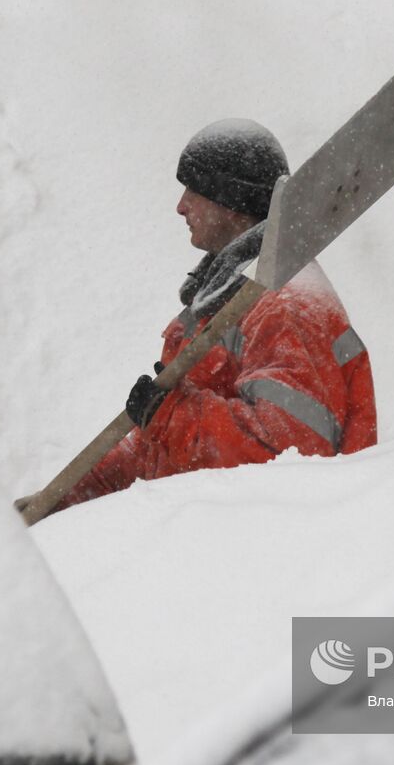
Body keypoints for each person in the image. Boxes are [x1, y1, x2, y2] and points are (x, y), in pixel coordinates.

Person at [54, 118, 376, 512]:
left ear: (231, 199)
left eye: (194, 190)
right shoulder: (226, 300)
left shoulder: (284, 304)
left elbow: (291, 452)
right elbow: (159, 448)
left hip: (268, 549)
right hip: (204, 539)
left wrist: (171, 416)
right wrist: (67, 498)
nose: (180, 206)